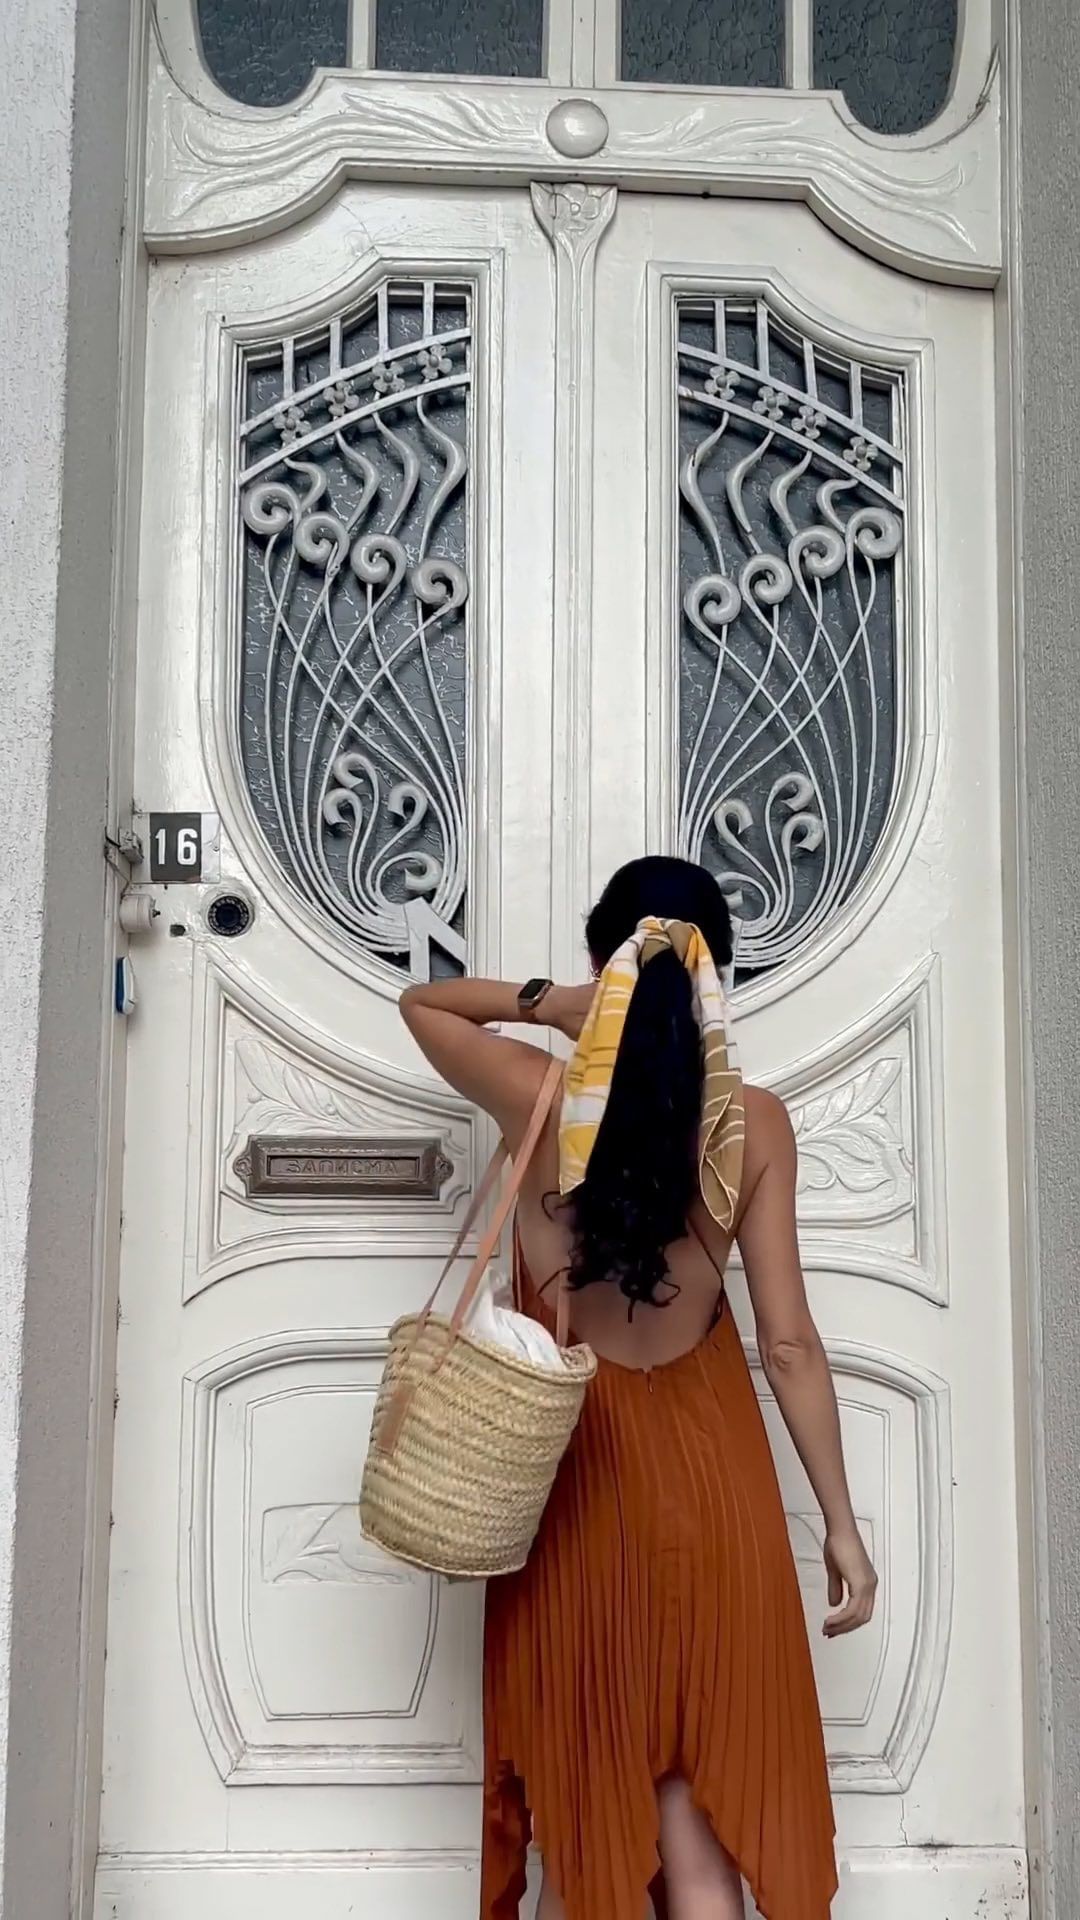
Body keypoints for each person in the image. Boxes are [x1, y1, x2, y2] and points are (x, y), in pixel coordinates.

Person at [399, 854, 876, 1920]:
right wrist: (841, 1528)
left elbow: (422, 1003)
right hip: (718, 1496)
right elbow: (789, 1347)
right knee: (695, 1827)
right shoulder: (755, 1125)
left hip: (580, 1490)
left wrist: (553, 1006)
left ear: (600, 963)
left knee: (591, 1820)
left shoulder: (536, 1095)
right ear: (719, 982)